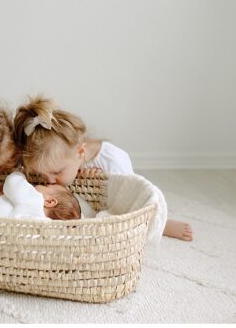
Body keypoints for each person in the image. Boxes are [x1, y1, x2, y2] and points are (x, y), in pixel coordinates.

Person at [12, 95, 193, 242]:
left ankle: (161, 223)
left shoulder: (113, 162)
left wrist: (104, 181)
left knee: (131, 216)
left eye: (57, 172)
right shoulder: (53, 161)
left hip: (112, 210)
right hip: (79, 212)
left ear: (81, 151)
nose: (50, 181)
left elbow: (128, 199)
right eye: (41, 175)